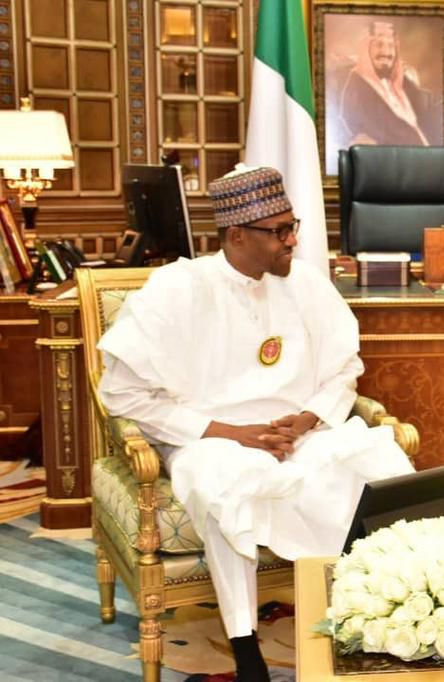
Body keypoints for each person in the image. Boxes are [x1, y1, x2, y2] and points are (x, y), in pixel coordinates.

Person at [97, 166, 414, 681]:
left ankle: (372, 615)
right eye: (279, 231)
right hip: (209, 440)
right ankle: (244, 645)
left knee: (378, 462)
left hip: (299, 435)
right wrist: (231, 433)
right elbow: (123, 392)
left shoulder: (306, 284)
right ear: (236, 234)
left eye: (294, 227)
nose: (292, 241)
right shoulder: (179, 288)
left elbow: (343, 370)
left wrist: (307, 419)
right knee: (227, 486)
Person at [338, 21, 442, 147]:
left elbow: (426, 105)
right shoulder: (356, 89)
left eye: (391, 46)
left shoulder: (402, 82)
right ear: (366, 49)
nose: (386, 52)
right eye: (379, 44)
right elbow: (377, 133)